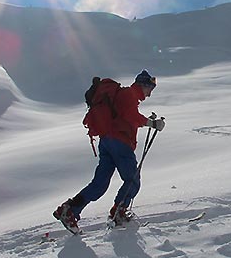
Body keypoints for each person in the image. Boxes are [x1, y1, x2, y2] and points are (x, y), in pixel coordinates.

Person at [54, 70, 165, 232]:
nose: (149, 94)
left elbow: (127, 115)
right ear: (143, 85)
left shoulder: (125, 95)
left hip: (106, 141)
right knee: (132, 180)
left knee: (99, 184)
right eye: (150, 89)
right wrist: (151, 123)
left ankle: (69, 209)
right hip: (119, 142)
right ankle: (118, 213)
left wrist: (146, 122)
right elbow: (130, 115)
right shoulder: (129, 94)